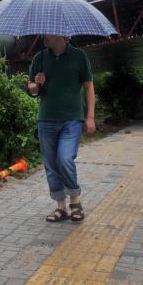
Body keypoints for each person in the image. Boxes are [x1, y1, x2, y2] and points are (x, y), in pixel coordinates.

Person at [27, 35, 95, 223]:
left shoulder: (79, 56)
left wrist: (90, 117)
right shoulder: (39, 58)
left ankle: (75, 200)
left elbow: (89, 87)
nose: (43, 36)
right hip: (46, 120)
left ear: (59, 34)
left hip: (71, 119)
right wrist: (36, 84)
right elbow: (31, 88)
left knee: (64, 159)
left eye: (47, 33)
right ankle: (60, 207)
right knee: (51, 164)